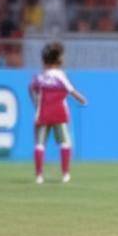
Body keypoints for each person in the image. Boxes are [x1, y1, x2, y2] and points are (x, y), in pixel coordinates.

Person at [29, 42, 87, 184]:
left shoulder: (39, 77)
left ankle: (39, 176)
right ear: (59, 60)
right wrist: (83, 100)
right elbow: (71, 90)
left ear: (44, 60)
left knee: (40, 144)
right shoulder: (60, 76)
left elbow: (31, 88)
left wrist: (36, 103)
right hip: (59, 114)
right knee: (65, 143)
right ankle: (65, 174)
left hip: (42, 113)